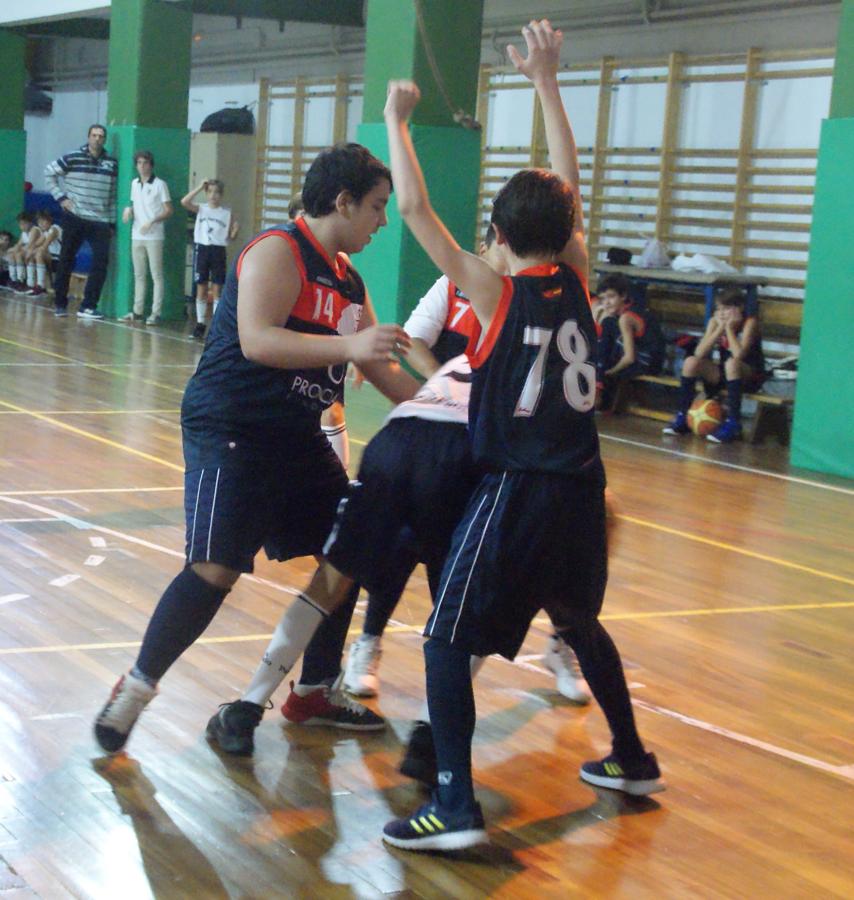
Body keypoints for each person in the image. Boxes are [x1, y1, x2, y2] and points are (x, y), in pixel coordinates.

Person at [379, 20, 662, 852]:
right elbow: (568, 182)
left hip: (518, 491)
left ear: (498, 239)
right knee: (578, 620)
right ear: (569, 236)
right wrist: (545, 80)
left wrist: (397, 122)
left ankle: (455, 805)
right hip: (583, 490)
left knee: (442, 642)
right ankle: (633, 758)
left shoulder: (493, 289)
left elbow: (412, 208)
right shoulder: (578, 280)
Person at [93, 142, 419, 756]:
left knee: (351, 548)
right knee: (215, 567)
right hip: (233, 426)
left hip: (297, 435)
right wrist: (349, 349)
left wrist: (441, 411)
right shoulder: (277, 250)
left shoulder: (349, 280)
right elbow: (259, 341)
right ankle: (136, 688)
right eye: (376, 207)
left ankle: (315, 690)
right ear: (342, 201)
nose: (382, 221)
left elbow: (379, 365)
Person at [343, 226, 592, 710]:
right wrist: (446, 384)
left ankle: (562, 643)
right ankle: (369, 642)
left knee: (553, 541)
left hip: (514, 443)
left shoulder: (540, 297)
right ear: (487, 247)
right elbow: (411, 339)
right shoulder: (456, 286)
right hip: (458, 435)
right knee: (408, 541)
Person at [289, 191, 351, 469]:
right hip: (293, 365)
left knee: (334, 414)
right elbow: (258, 341)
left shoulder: (342, 268)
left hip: (327, 359)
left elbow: (354, 321)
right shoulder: (282, 255)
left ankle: (340, 477)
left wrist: (359, 353)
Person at [663, 287, 765, 443]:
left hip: (750, 374)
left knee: (732, 363)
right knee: (691, 361)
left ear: (740, 308)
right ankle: (683, 416)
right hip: (726, 372)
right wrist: (718, 329)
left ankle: (733, 422)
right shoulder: (714, 321)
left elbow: (739, 355)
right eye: (719, 309)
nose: (722, 313)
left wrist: (729, 329)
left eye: (727, 308)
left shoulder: (749, 323)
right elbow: (699, 352)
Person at [45, 123, 118, 319]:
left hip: (100, 220)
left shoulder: (111, 163)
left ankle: (88, 306)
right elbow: (49, 173)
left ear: (105, 139)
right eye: (94, 135)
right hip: (75, 216)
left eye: (101, 136)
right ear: (88, 137)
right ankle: (60, 303)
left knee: (101, 262)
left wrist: (111, 222)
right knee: (66, 259)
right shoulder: (72, 157)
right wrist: (61, 198)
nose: (97, 139)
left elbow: (112, 195)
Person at [595, 272, 665, 410]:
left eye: (611, 297)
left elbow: (629, 358)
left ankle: (598, 392)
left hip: (647, 363)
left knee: (601, 365)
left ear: (623, 296)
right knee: (607, 327)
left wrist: (610, 372)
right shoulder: (624, 313)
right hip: (643, 357)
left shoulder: (625, 318)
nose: (606, 303)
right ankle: (598, 386)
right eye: (603, 299)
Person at [182, 178, 240, 340]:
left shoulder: (226, 212)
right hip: (202, 248)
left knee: (217, 289)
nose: (213, 195)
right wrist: (200, 187)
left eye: (217, 192)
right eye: (210, 192)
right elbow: (184, 201)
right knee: (201, 286)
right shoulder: (201, 209)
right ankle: (200, 323)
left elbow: (231, 236)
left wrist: (235, 231)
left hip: (218, 249)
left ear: (221, 195)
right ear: (207, 194)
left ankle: (216, 324)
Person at [120, 150, 173, 325]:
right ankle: (138, 311)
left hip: (154, 236)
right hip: (137, 234)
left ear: (151, 165)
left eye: (146, 163)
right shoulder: (134, 183)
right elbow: (136, 205)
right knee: (139, 275)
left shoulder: (160, 185)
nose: (142, 166)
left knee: (156, 275)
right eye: (139, 163)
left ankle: (155, 313)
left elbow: (168, 210)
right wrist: (129, 210)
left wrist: (152, 221)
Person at [23, 210, 63, 298]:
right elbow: (35, 244)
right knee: (32, 252)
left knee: (39, 253)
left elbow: (44, 246)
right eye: (39, 222)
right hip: (52, 258)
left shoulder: (54, 229)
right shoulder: (45, 232)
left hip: (61, 259)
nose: (41, 224)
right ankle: (31, 284)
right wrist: (26, 251)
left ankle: (41, 286)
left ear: (50, 220)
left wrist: (31, 252)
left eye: (43, 221)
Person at [5, 212, 41, 293]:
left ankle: (22, 281)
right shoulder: (24, 233)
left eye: (24, 224)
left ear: (30, 223)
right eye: (20, 224)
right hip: (27, 252)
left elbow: (30, 245)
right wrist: (11, 250)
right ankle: (13, 280)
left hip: (36, 252)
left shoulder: (35, 230)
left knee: (18, 254)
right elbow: (18, 245)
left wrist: (17, 250)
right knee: (11, 254)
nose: (22, 226)